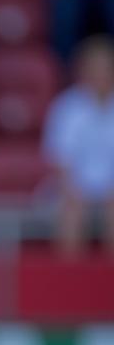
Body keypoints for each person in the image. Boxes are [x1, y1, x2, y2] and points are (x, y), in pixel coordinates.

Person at [43, 34, 114, 254]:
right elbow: (60, 162)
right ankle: (70, 280)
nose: (101, 74)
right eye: (95, 68)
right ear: (83, 71)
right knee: (71, 208)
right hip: (72, 188)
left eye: (106, 67)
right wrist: (72, 191)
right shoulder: (66, 107)